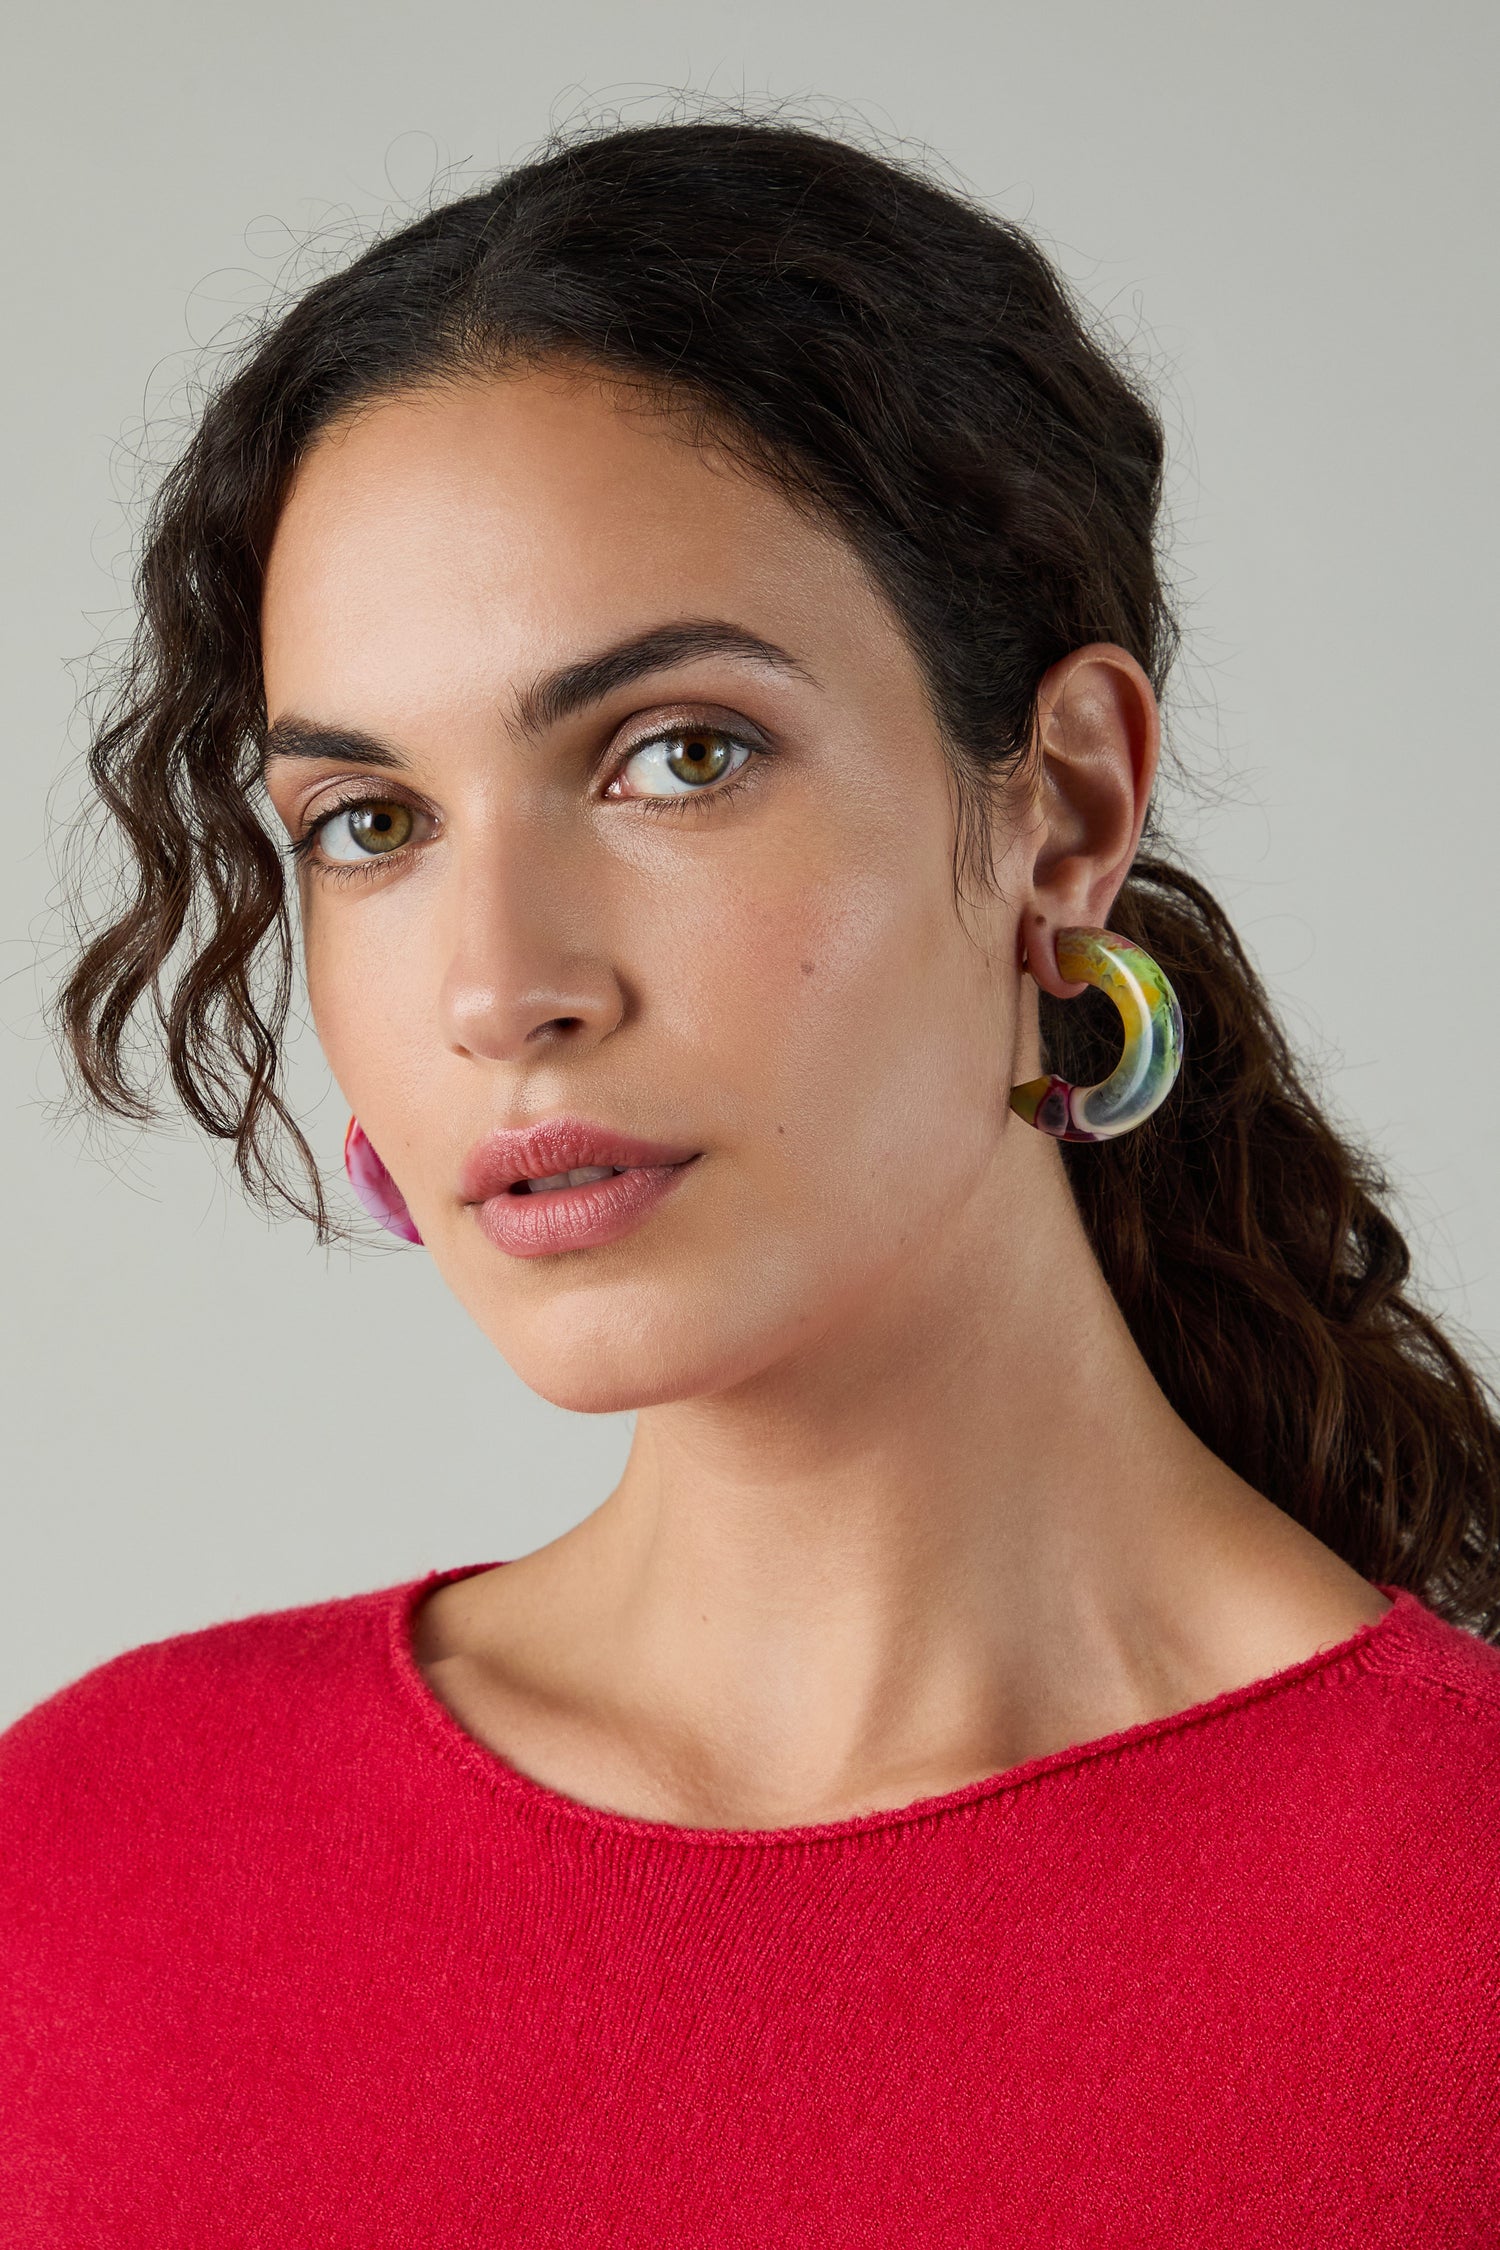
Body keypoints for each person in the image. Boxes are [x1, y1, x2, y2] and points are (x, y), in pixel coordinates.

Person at [4, 114, 1499, 2245]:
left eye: (674, 755)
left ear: (1064, 809)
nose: (502, 985)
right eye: (369, 822)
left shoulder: (1463, 1945)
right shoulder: (88, 1878)